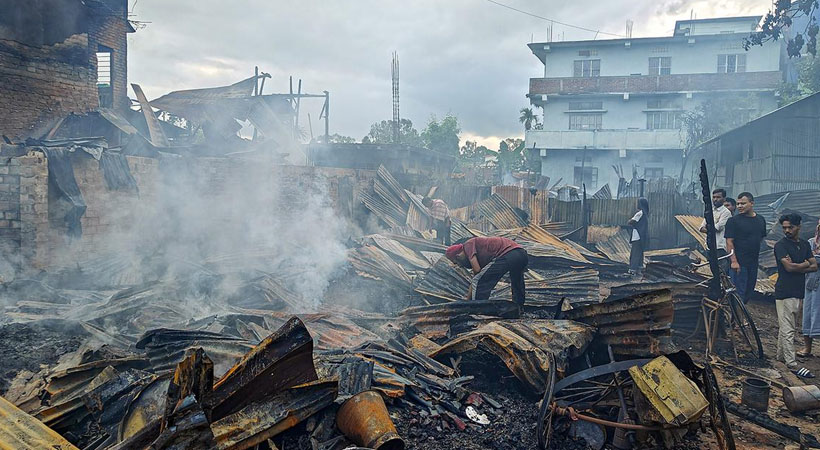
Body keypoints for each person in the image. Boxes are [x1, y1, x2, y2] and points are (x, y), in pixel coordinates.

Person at [774, 213, 817, 378]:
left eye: (790, 227)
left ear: (798, 226)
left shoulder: (805, 244)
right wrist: (805, 263)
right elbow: (789, 268)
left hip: (798, 291)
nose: (787, 230)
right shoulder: (780, 245)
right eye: (784, 227)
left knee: (786, 325)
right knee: (788, 328)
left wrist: (800, 264)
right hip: (785, 291)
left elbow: (814, 266)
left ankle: (779, 357)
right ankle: (792, 364)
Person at [444, 236, 528, 305]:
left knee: (481, 283)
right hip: (521, 254)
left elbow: (477, 272)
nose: (459, 265)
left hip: (508, 254)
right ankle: (518, 308)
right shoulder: (481, 252)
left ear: (458, 256)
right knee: (517, 283)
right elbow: (476, 279)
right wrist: (467, 301)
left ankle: (476, 309)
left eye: (456, 262)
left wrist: (468, 304)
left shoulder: (468, 245)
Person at [725, 192, 767, 303]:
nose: (739, 206)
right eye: (738, 204)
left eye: (743, 203)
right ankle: (735, 319)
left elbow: (761, 238)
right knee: (738, 294)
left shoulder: (760, 220)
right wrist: (734, 261)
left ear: (752, 203)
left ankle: (739, 318)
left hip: (753, 263)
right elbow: (729, 242)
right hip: (739, 264)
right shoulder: (733, 221)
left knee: (748, 292)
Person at [800, 219, 820, 357]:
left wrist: (814, 259)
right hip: (811, 284)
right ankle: (807, 348)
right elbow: (805, 260)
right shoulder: (811, 242)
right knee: (807, 315)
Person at [699, 188, 732, 270]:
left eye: (718, 197)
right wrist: (710, 229)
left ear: (724, 199)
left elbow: (717, 228)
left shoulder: (726, 213)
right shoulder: (711, 212)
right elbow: (701, 228)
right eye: (714, 197)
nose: (715, 199)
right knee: (711, 270)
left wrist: (709, 228)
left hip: (720, 247)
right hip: (710, 246)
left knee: (721, 272)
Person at [627, 198, 650, 276]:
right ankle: (639, 269)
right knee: (640, 253)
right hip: (642, 236)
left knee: (635, 253)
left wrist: (629, 220)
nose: (637, 204)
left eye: (638, 203)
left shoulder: (639, 213)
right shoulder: (645, 214)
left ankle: (632, 270)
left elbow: (631, 222)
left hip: (637, 236)